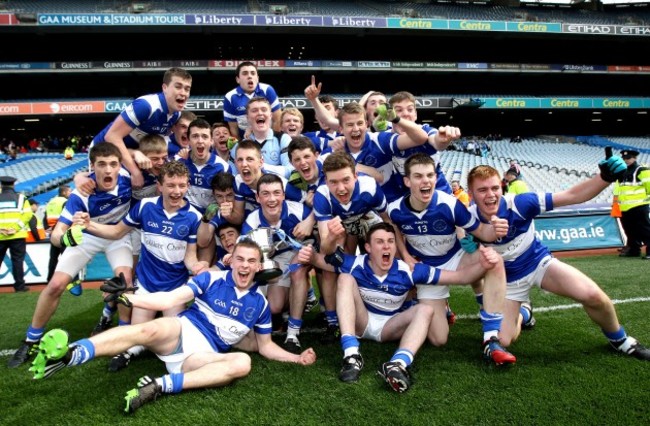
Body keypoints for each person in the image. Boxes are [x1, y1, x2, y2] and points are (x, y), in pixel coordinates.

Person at [28, 240, 317, 414]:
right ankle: (71, 354)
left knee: (242, 363)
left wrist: (296, 357)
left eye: (251, 262)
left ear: (258, 267)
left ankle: (159, 386)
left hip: (201, 357)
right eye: (239, 259)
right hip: (182, 331)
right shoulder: (213, 278)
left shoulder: (262, 306)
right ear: (232, 261)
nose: (244, 266)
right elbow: (170, 298)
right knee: (150, 329)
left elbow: (265, 347)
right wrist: (128, 295)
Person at [465, 156, 650, 361]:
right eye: (482, 190)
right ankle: (524, 312)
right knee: (504, 340)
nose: (490, 195)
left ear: (502, 187)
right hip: (508, 283)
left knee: (593, 295)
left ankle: (620, 340)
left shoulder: (522, 203)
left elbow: (572, 195)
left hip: (538, 264)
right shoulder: (466, 218)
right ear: (471, 193)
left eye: (494, 188)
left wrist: (604, 178)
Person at [295, 222, 502, 392]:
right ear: (367, 247)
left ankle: (398, 364)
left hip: (390, 328)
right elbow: (320, 260)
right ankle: (351, 354)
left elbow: (459, 277)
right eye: (379, 242)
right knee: (346, 279)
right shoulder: (355, 263)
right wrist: (310, 256)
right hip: (362, 322)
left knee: (426, 309)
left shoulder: (409, 270)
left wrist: (484, 265)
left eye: (390, 242)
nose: (386, 247)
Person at [7, 143, 134, 369]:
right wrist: (67, 239)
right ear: (92, 167)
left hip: (118, 237)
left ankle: (123, 338)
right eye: (101, 165)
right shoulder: (81, 193)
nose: (108, 170)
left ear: (119, 166)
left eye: (113, 164)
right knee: (55, 285)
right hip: (87, 236)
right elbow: (56, 236)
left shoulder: (129, 178)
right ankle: (31, 340)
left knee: (125, 283)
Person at [74, 160, 209, 372]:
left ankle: (141, 348)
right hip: (146, 285)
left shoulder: (194, 217)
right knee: (136, 334)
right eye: (171, 185)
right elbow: (117, 232)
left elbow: (189, 257)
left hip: (174, 290)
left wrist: (198, 266)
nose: (177, 191)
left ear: (188, 186)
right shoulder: (145, 207)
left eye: (182, 186)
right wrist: (88, 225)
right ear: (160, 186)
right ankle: (129, 352)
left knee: (172, 340)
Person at [387, 154, 513, 364]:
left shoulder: (449, 204)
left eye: (430, 175)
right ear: (407, 181)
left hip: (456, 258)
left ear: (436, 178)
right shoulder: (396, 209)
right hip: (427, 268)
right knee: (438, 339)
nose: (425, 180)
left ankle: (490, 338)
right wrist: (407, 256)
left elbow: (481, 230)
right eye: (418, 176)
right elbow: (394, 229)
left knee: (493, 260)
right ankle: (443, 308)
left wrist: (496, 229)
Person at [241, 173, 314, 353]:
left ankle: (292, 333)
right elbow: (243, 248)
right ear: (258, 198)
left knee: (298, 268)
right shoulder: (253, 220)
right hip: (276, 258)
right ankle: (302, 296)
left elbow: (321, 221)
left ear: (283, 195)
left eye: (276, 193)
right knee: (275, 306)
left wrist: (310, 226)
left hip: (301, 251)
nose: (272, 199)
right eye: (265, 194)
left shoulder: (298, 210)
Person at [92, 67, 192, 189]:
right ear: (164, 88)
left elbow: (157, 144)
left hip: (131, 155)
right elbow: (111, 136)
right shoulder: (146, 106)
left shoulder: (176, 115)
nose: (183, 92)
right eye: (178, 86)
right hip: (104, 153)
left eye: (187, 89)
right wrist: (135, 172)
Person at [223, 61, 282, 139]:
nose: (249, 76)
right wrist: (240, 145)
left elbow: (277, 120)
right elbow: (234, 130)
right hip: (246, 141)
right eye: (245, 73)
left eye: (253, 73)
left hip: (268, 138)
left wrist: (273, 141)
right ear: (238, 79)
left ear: (257, 78)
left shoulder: (267, 90)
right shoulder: (229, 97)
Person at [615, 149, 650, 259]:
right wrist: (615, 204)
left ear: (635, 158)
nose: (626, 160)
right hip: (624, 207)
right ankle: (634, 250)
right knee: (629, 231)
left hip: (639, 206)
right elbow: (617, 189)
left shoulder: (642, 170)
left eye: (628, 158)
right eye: (624, 159)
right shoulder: (621, 172)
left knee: (645, 230)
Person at [0, 176, 33, 292]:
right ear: (13, 185)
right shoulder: (21, 198)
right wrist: (15, 228)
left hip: (0, 235)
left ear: (1, 185)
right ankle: (19, 286)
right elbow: (28, 215)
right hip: (17, 235)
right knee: (18, 261)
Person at [44, 184, 72, 281]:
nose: (71, 193)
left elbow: (45, 217)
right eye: (69, 191)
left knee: (53, 257)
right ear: (64, 192)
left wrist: (49, 227)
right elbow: (67, 217)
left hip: (53, 233)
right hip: (63, 232)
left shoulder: (51, 202)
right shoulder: (66, 202)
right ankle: (66, 279)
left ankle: (50, 278)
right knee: (66, 256)